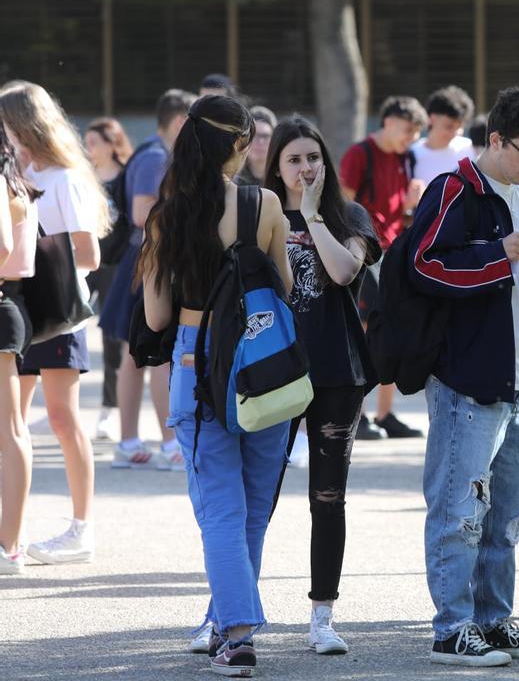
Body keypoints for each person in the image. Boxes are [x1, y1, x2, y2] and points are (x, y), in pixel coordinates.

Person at [406, 86, 519, 667]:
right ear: (494, 139)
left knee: (508, 514)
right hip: (465, 376)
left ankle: (495, 621)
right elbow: (423, 265)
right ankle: (451, 629)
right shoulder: (455, 188)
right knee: (458, 509)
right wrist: (498, 253)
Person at [141, 94, 292, 677]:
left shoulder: (169, 215)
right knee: (253, 510)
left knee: (221, 511)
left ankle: (234, 633)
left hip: (195, 361)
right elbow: (282, 291)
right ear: (239, 143)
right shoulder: (266, 205)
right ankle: (230, 623)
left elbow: (155, 317)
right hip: (262, 362)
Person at [263, 116, 382, 654]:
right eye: (294, 159)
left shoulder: (348, 216)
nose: (306, 167)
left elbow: (340, 274)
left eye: (313, 157)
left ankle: (322, 616)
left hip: (337, 375)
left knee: (327, 498)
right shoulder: (258, 213)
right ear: (277, 166)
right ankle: (228, 614)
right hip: (271, 373)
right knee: (255, 497)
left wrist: (312, 217)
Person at [0, 80, 112, 566]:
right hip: (26, 312)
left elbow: (89, 252)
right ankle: (13, 536)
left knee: (64, 420)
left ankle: (81, 527)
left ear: (24, 122)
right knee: (14, 424)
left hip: (62, 312)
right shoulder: (18, 172)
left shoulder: (65, 178)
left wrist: (41, 255)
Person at [100, 89, 196, 470]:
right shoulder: (157, 156)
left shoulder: (153, 153)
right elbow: (142, 212)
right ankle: (169, 443)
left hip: (146, 262)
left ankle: (130, 441)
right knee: (155, 355)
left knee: (136, 356)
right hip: (150, 263)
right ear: (178, 122)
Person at [338, 95, 428, 441]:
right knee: (363, 331)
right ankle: (355, 414)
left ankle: (385, 413)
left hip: (393, 252)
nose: (410, 138)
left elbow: (400, 214)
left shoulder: (406, 158)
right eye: (407, 130)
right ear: (388, 121)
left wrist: (410, 207)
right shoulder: (360, 154)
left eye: (415, 133)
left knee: (391, 330)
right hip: (363, 252)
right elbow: (343, 205)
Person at [0, 123, 39, 574]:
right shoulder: (16, 183)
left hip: (5, 306)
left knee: (11, 431)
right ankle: (10, 538)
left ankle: (9, 543)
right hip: (12, 306)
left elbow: (4, 246)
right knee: (12, 429)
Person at [84, 117, 134, 442]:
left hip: (115, 264)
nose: (88, 149)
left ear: (112, 143)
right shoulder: (84, 178)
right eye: (85, 143)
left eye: (93, 143)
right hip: (86, 262)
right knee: (63, 326)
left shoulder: (127, 177)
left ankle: (108, 409)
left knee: (112, 340)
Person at [410, 85, 475, 186]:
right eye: (449, 126)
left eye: (459, 127)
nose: (455, 133)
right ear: (432, 119)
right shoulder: (413, 154)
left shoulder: (470, 149)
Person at [234, 106, 277, 187]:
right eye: (254, 136)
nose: (260, 142)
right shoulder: (232, 181)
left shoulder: (282, 178)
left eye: (265, 136)